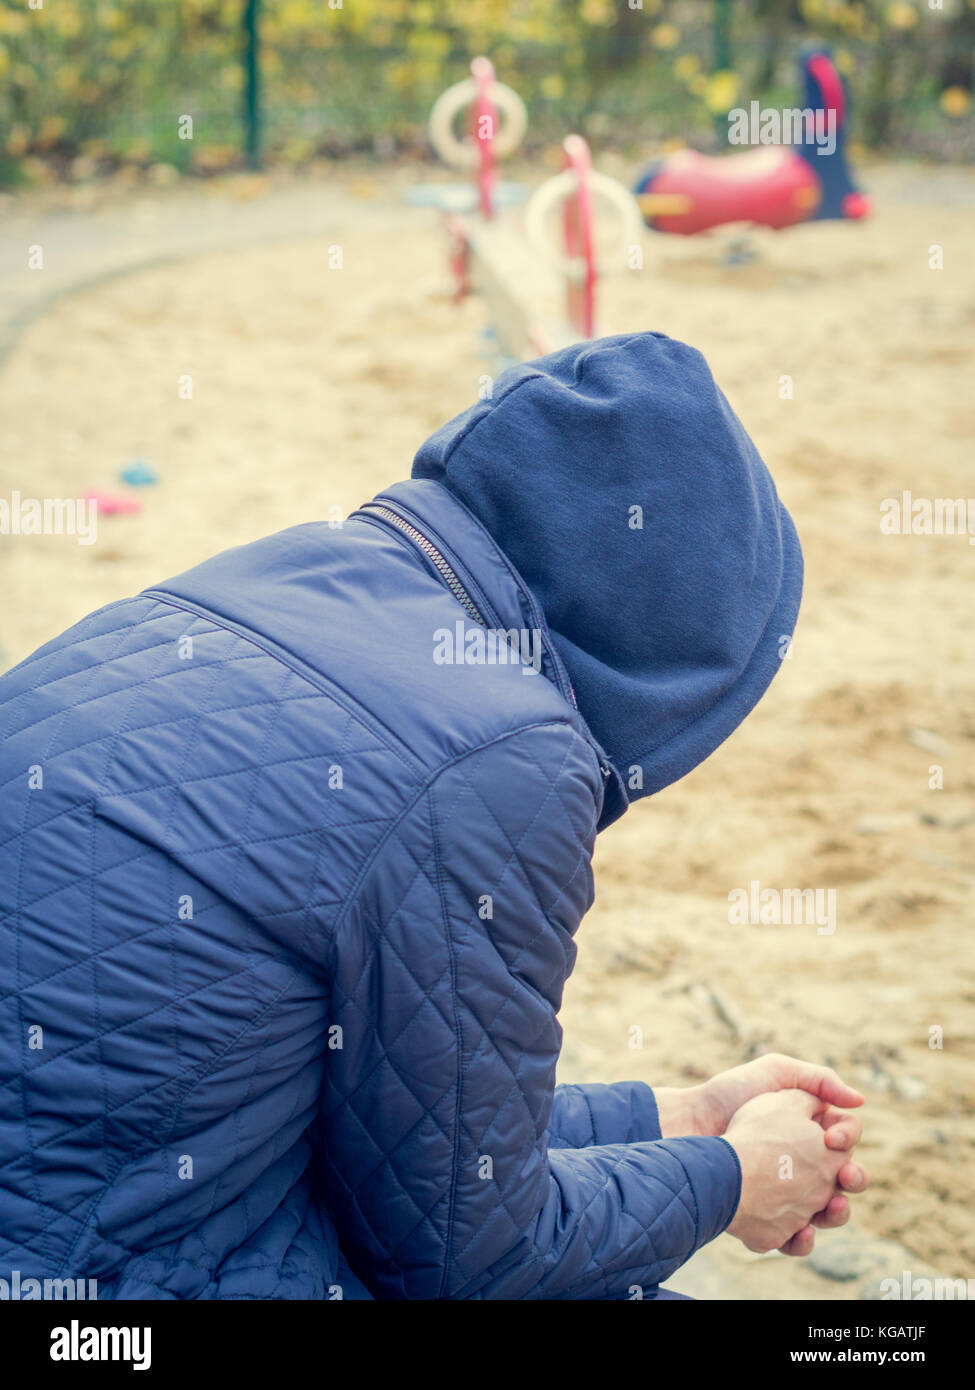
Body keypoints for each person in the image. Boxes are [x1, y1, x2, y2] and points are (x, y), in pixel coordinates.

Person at [0, 332, 867, 1300]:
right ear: (670, 641)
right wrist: (733, 1182)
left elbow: (377, 1126)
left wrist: (674, 1115)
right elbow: (469, 1262)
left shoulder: (261, 578)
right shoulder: (500, 753)